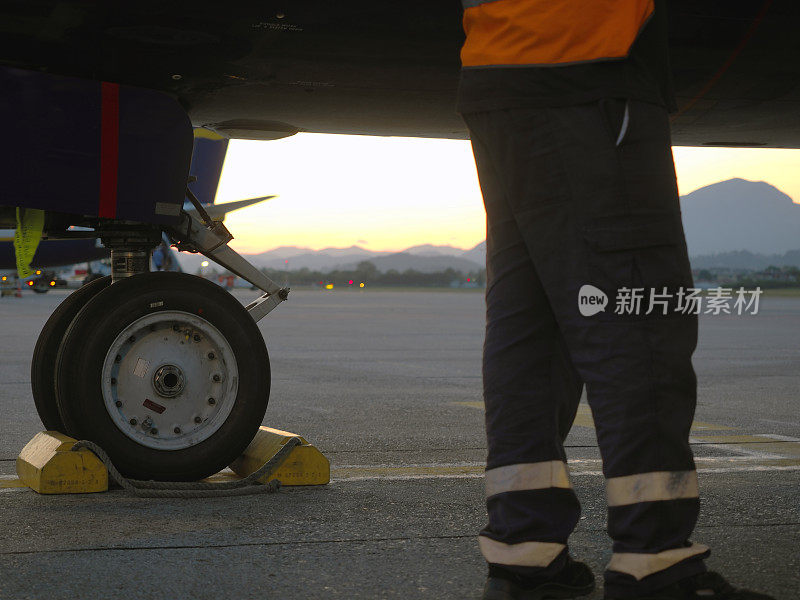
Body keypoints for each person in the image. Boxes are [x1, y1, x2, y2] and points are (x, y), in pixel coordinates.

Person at [456, 2, 775, 599]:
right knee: (642, 319)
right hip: (587, 63)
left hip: (500, 67)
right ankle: (655, 563)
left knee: (534, 326)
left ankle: (526, 555)